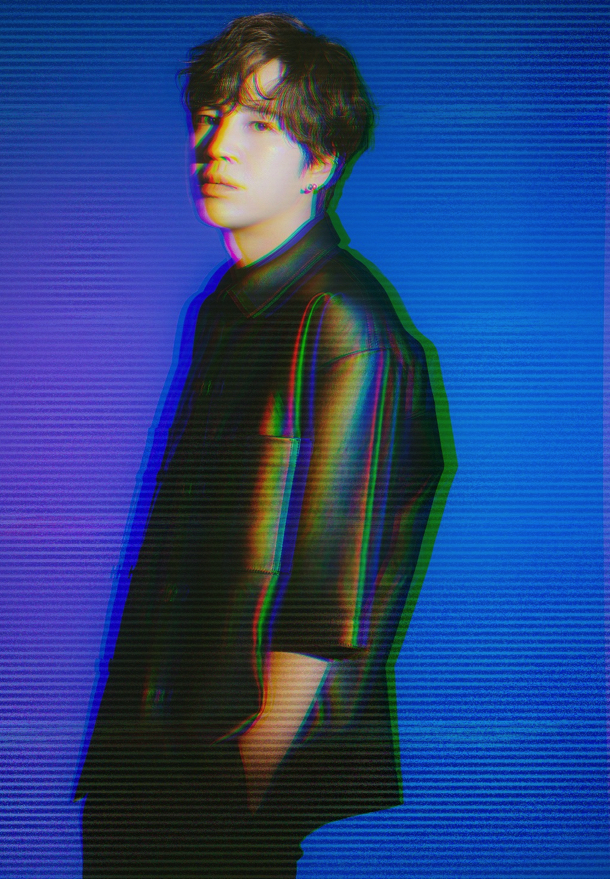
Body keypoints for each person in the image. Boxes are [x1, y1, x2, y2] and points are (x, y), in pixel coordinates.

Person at [76, 13, 449, 879]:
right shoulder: (227, 307)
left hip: (227, 762)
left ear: (322, 163)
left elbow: (336, 573)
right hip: (144, 748)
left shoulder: (346, 322)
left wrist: (257, 759)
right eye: (210, 117)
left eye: (260, 124)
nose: (217, 146)